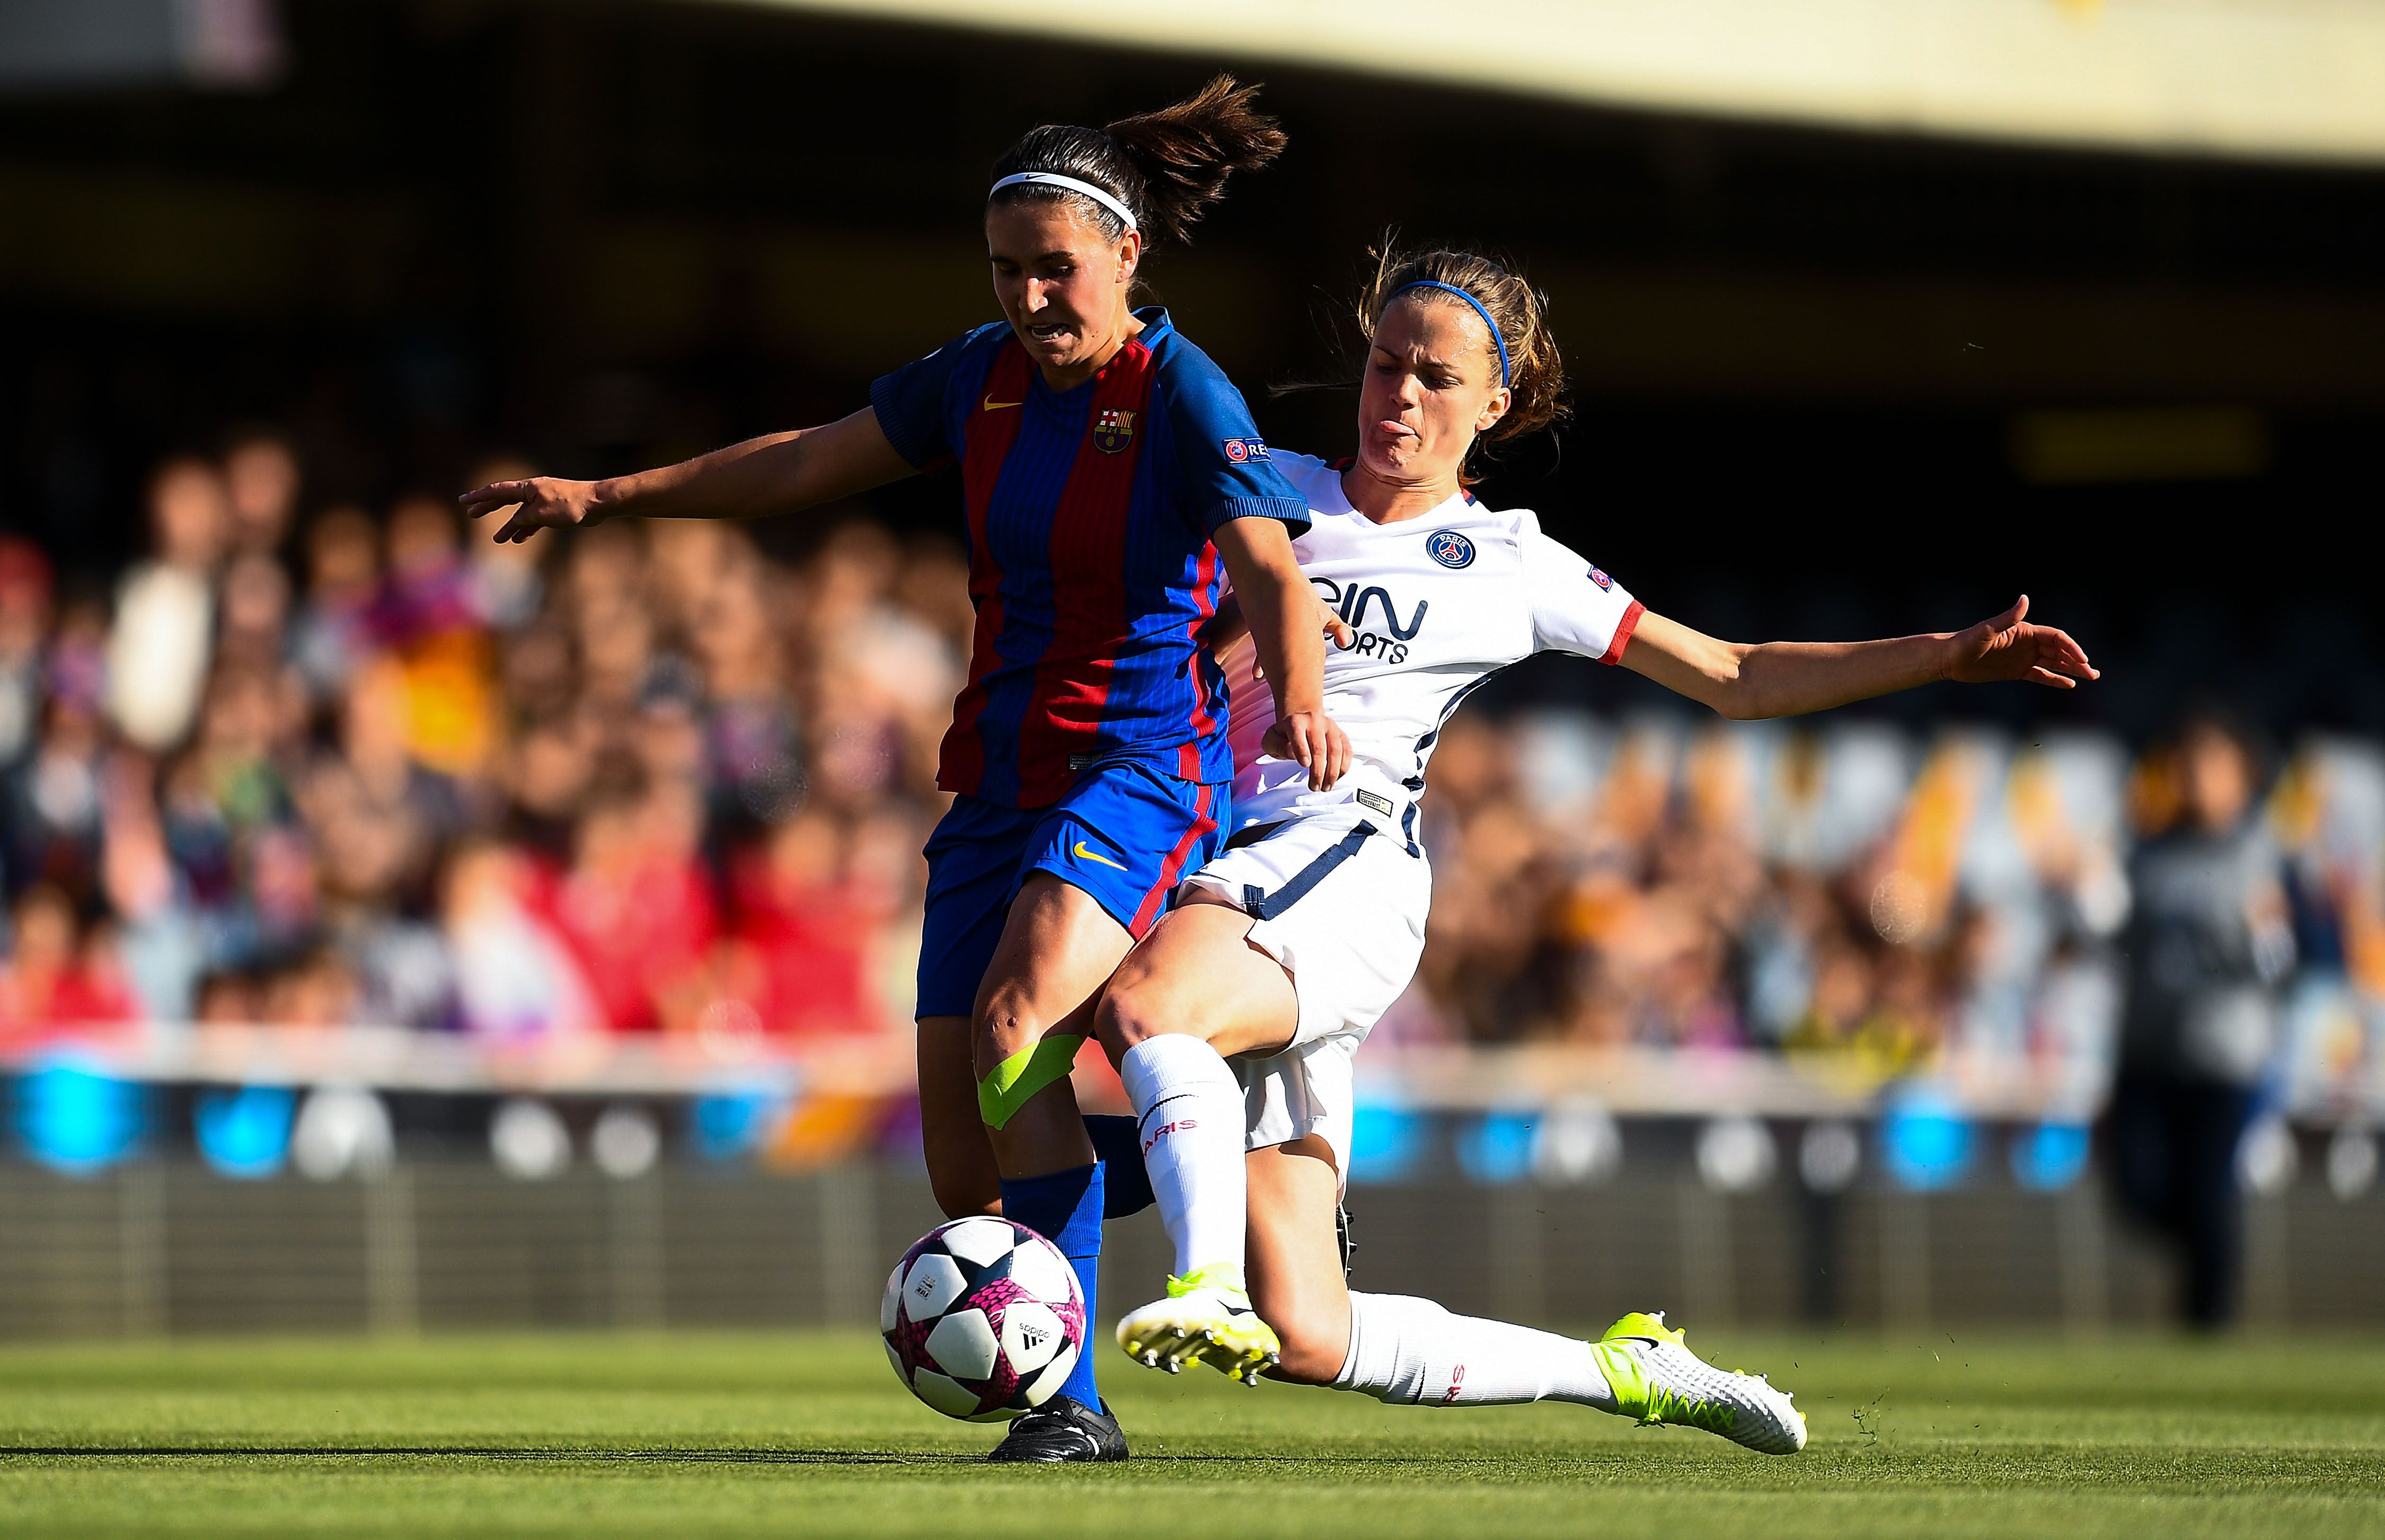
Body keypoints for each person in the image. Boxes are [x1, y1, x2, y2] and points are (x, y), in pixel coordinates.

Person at [463, 76, 1348, 1462]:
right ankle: (1133, 1173)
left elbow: (1268, 566)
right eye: (1006, 271)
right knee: (965, 1162)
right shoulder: (975, 378)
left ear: (1125, 256)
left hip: (1134, 769)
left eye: (1055, 268)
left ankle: (1069, 1414)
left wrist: (1294, 691)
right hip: (990, 782)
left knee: (1015, 1032)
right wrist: (605, 497)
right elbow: (803, 464)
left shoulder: (1179, 391)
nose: (1031, 298)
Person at [1091, 244, 2099, 1453]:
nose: (1397, 394)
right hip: (1235, 867)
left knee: (1149, 1004)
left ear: (1493, 403)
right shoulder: (1268, 490)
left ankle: (1195, 1279)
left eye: (1433, 375)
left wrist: (1941, 654)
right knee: (1307, 1328)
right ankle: (1623, 1367)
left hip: (1335, 861)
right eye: (1380, 363)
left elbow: (1727, 674)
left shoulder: (1509, 562)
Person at [2108, 710, 2292, 1329]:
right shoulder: (2149, 851)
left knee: (2208, 1197)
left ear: (2242, 777)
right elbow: (2118, 940)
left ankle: (2207, 1324)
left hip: (2223, 1058)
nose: (2192, 777)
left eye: (2209, 764)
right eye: (2183, 762)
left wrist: (2258, 933)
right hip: (2148, 1054)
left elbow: (2281, 963)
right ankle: (2202, 1270)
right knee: (2137, 1193)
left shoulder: (2259, 855)